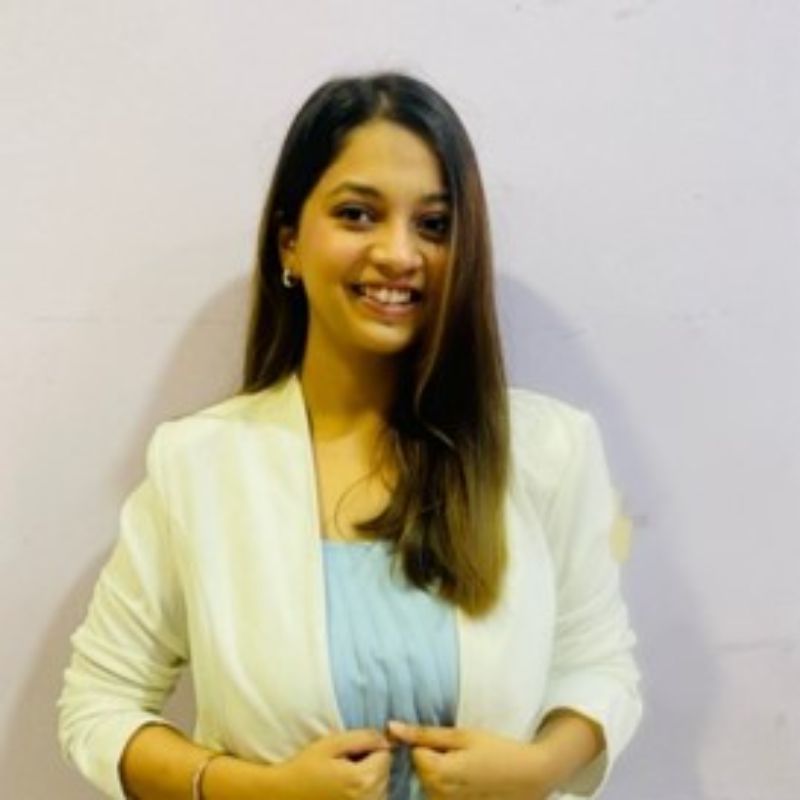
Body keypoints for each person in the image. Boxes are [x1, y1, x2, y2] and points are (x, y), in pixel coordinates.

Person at [57, 72, 642, 800]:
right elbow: (98, 705)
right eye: (358, 214)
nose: (398, 253)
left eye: (433, 225)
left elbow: (600, 667)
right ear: (290, 243)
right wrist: (257, 790)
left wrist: (539, 768)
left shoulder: (549, 451)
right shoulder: (200, 466)